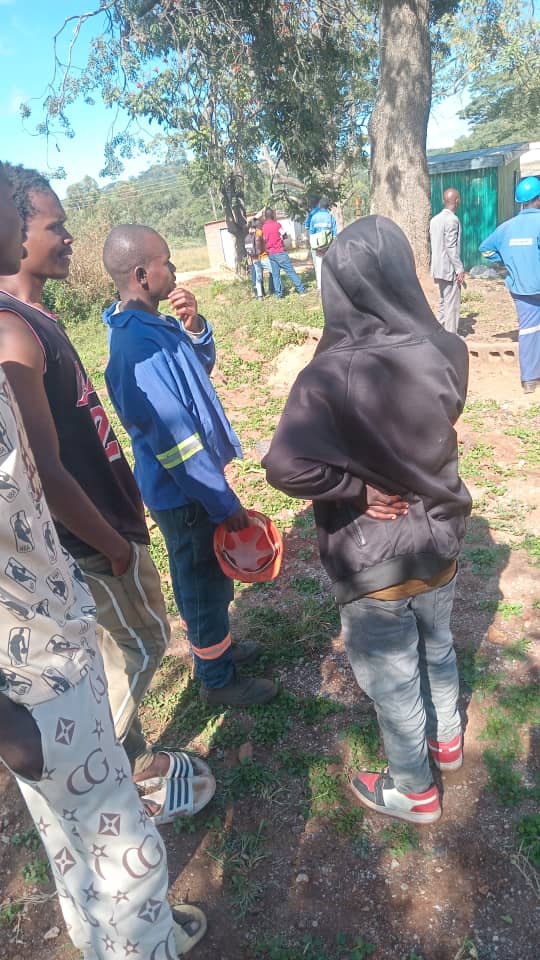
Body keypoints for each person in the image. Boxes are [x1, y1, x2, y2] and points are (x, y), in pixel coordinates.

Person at [0, 162, 207, 959]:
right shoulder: (13, 333)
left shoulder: (36, 320)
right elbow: (46, 473)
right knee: (143, 644)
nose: (66, 236)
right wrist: (114, 543)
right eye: (53, 224)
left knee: (130, 650)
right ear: (17, 231)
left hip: (90, 546)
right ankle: (116, 763)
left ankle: (122, 762)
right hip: (80, 561)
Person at [263, 215, 472, 824]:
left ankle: (415, 789)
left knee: (394, 677)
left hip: (373, 557)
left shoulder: (328, 374)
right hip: (440, 537)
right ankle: (448, 742)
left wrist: (354, 489)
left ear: (337, 286)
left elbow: (285, 465)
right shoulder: (448, 350)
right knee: (439, 645)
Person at [102, 224, 278, 708]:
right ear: (142, 275)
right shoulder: (137, 349)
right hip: (185, 494)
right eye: (167, 261)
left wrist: (195, 326)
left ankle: (219, 648)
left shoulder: (153, 327)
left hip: (194, 487)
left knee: (210, 578)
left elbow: (197, 369)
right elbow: (177, 446)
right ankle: (217, 680)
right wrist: (223, 502)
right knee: (201, 584)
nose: (175, 269)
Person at [479, 175, 540, 394]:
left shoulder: (506, 227)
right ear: (538, 198)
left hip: (520, 287)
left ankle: (529, 380)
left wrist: (505, 259)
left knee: (528, 330)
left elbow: (485, 249)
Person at [429, 187, 465, 334]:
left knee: (444, 302)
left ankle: (439, 334)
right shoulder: (452, 220)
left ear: (444, 201)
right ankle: (451, 337)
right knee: (452, 305)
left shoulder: (434, 220)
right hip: (449, 269)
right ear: (457, 201)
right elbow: (451, 247)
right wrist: (459, 268)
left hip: (438, 267)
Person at [261, 208, 306, 298]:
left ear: (265, 216)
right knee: (290, 271)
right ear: (272, 215)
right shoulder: (277, 225)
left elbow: (264, 240)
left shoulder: (263, 227)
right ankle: (301, 290)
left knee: (275, 275)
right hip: (280, 252)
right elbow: (285, 235)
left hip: (271, 254)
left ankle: (279, 294)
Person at [308, 198, 338, 291]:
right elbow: (334, 233)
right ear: (328, 207)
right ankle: (332, 285)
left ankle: (320, 287)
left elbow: (311, 232)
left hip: (318, 247)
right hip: (329, 246)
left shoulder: (314, 217)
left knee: (319, 266)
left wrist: (316, 246)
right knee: (331, 266)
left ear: (319, 206)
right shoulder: (330, 217)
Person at [245, 217, 273, 299]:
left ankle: (259, 295)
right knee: (273, 272)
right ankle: (273, 290)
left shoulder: (249, 235)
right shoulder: (260, 232)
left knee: (258, 278)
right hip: (263, 257)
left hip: (254, 259)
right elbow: (265, 242)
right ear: (258, 225)